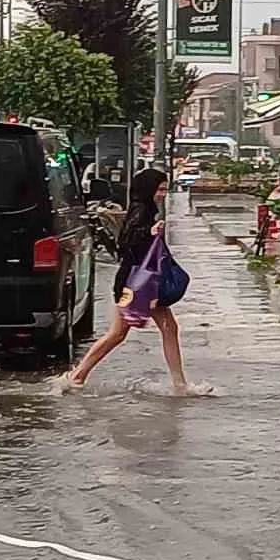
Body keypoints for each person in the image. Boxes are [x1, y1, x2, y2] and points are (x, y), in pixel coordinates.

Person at [64, 168, 208, 395]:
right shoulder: (141, 210)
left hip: (141, 282)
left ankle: (179, 383)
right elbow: (127, 240)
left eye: (164, 189)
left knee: (164, 328)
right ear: (149, 189)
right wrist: (150, 232)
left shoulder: (144, 209)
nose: (162, 194)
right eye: (160, 189)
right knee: (121, 333)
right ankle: (77, 375)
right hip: (137, 283)